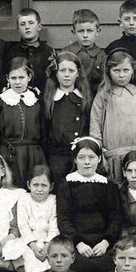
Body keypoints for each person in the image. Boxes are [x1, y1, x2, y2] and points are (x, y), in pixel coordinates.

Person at [55, 136, 121, 272]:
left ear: (99, 159)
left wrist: (105, 242)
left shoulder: (108, 186)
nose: (86, 162)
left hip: (103, 244)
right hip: (76, 244)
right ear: (75, 159)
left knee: (108, 268)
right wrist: (78, 243)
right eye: (81, 157)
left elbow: (115, 219)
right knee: (78, 267)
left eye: (91, 157)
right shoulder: (66, 184)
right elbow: (64, 219)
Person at [90, 49, 136, 183]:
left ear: (133, 70)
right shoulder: (103, 96)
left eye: (126, 70)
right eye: (116, 71)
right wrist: (100, 154)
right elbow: (95, 128)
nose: (122, 75)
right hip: (113, 158)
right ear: (108, 72)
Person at [0, 57, 45, 188]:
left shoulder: (37, 100)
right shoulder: (1, 101)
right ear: (7, 78)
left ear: (29, 77)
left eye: (21, 77)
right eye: (13, 78)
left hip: (33, 154)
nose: (17, 82)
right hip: (8, 153)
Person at [43, 51, 90, 184]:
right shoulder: (49, 100)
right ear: (56, 73)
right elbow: (44, 133)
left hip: (80, 157)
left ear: (78, 73)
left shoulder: (84, 99)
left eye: (71, 70)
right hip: (56, 158)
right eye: (63, 70)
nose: (67, 74)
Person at [17, 164, 59, 272]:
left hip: (50, 242)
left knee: (51, 267)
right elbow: (23, 225)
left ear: (51, 186)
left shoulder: (53, 200)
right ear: (28, 185)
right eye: (35, 185)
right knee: (31, 267)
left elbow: (54, 226)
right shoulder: (24, 199)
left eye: (44, 185)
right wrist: (33, 246)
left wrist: (47, 245)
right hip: (29, 242)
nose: (39, 189)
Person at [5, 8, 54, 90]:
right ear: (18, 29)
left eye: (31, 23)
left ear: (39, 27)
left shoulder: (49, 52)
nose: (27, 27)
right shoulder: (11, 52)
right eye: (22, 24)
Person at [60, 8, 106, 94]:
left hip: (94, 98)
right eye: (81, 31)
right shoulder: (67, 53)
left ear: (97, 31)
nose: (85, 35)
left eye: (89, 31)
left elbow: (104, 83)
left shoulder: (101, 56)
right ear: (74, 32)